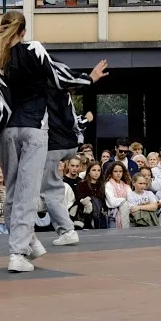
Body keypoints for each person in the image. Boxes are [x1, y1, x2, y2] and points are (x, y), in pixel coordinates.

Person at [0, 11, 108, 272]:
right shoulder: (35, 49)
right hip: (34, 129)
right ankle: (17, 253)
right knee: (27, 194)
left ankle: (30, 242)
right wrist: (89, 78)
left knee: (12, 192)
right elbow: (60, 78)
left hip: (8, 131)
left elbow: (1, 105)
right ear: (24, 31)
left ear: (1, 29)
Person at [44, 84, 93, 247]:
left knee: (50, 190)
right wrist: (86, 119)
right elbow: (74, 123)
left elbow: (73, 122)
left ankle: (67, 230)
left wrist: (86, 119)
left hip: (52, 145)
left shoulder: (41, 93)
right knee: (51, 188)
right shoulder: (63, 95)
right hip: (67, 145)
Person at [74, 161, 105, 229]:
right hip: (85, 215)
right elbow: (79, 199)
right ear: (88, 171)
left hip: (99, 215)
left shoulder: (102, 185)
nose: (96, 173)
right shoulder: (82, 184)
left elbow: (103, 201)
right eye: (94, 170)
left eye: (98, 170)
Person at [101, 162, 131, 228]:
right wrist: (124, 199)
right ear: (111, 172)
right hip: (113, 216)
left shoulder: (126, 186)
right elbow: (112, 202)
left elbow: (131, 200)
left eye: (120, 171)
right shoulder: (108, 185)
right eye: (115, 171)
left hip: (127, 214)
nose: (118, 173)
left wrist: (123, 200)